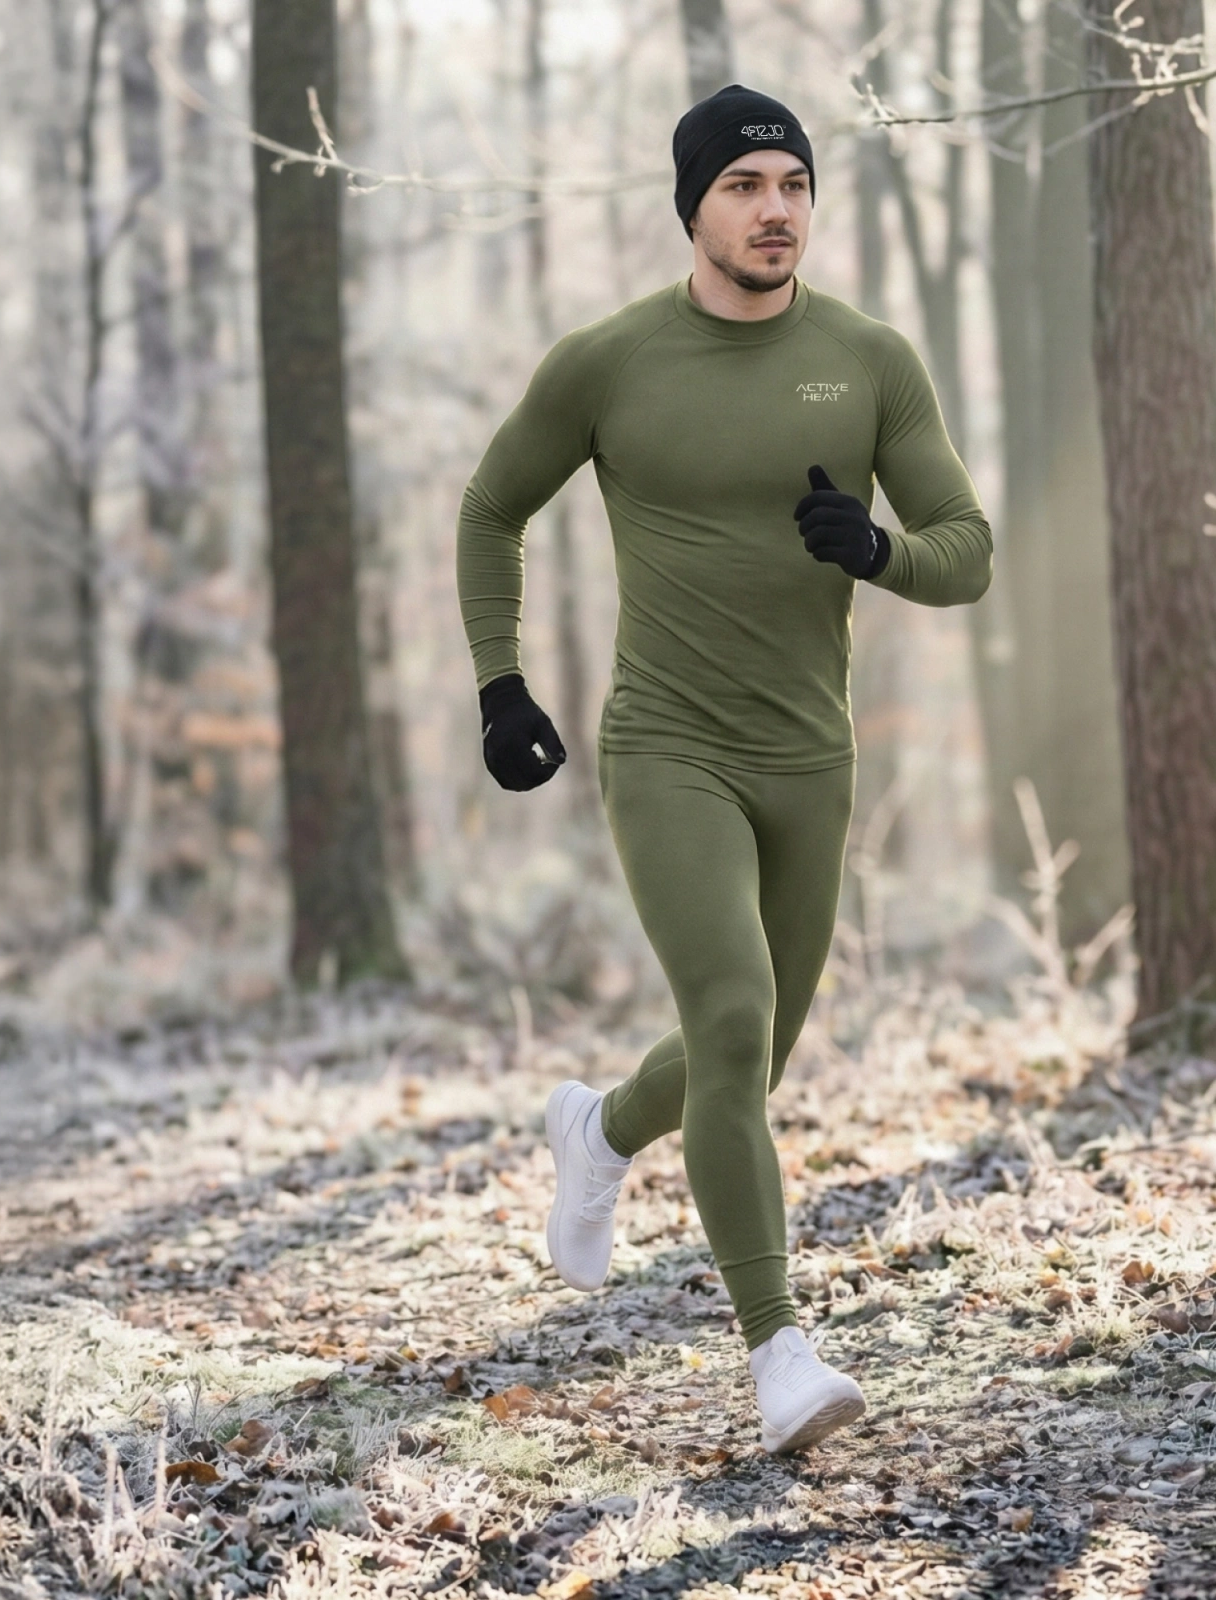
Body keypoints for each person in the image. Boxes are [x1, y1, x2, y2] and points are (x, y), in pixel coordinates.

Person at [456, 84, 991, 1454]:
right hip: (668, 745)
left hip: (810, 758)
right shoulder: (612, 361)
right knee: (739, 1020)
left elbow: (966, 548)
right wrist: (500, 683)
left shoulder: (867, 360)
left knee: (735, 1056)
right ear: (694, 204)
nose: (774, 210)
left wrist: (876, 552)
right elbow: (492, 505)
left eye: (793, 185)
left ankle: (602, 1130)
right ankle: (779, 1358)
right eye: (746, 184)